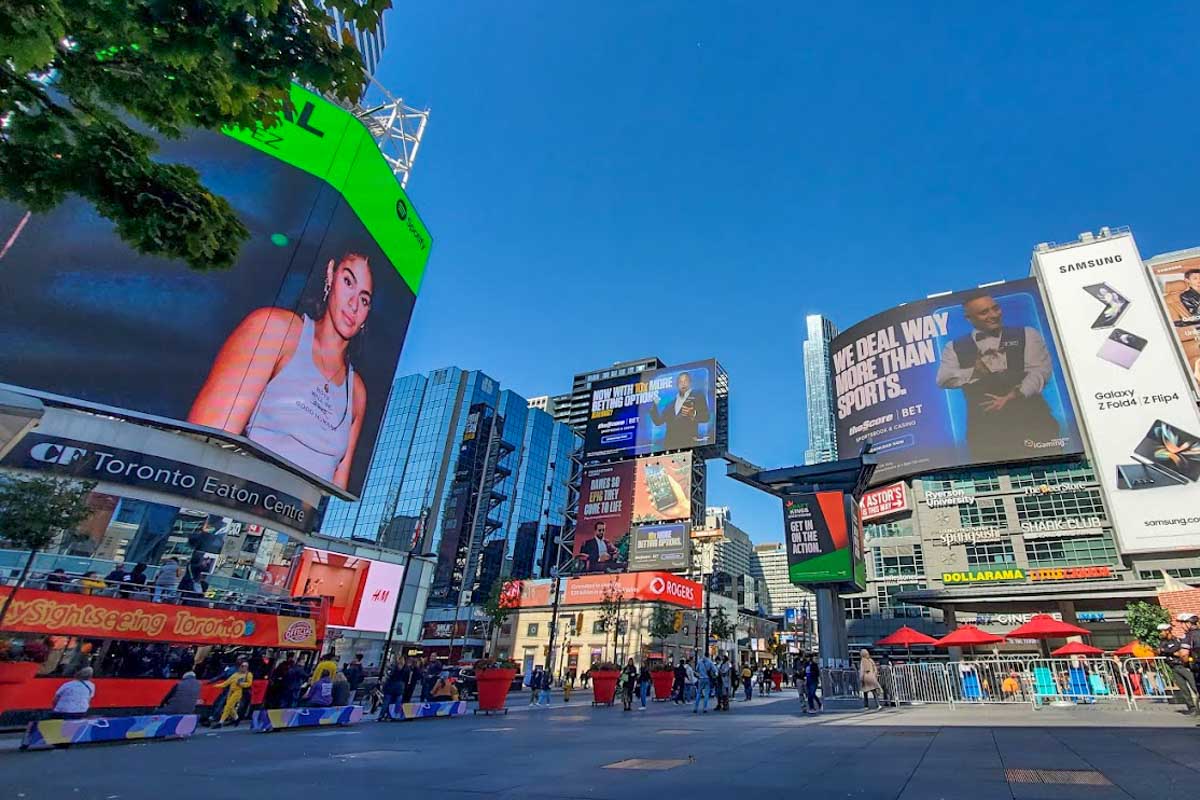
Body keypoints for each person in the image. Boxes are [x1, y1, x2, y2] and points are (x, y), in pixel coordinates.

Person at [187, 253, 375, 490]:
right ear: (330, 274)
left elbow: (336, 490)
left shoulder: (356, 391)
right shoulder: (275, 330)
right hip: (238, 509)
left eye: (365, 300)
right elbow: (202, 447)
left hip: (295, 523)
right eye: (348, 282)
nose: (354, 304)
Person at [935, 292, 1061, 462]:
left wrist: (1014, 395)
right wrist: (974, 371)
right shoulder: (953, 347)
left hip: (1034, 422)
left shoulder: (1028, 334)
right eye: (984, 312)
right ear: (969, 318)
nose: (993, 315)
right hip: (985, 431)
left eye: (995, 308)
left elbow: (1040, 371)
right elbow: (943, 379)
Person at [647, 369, 711, 451]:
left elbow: (706, 417)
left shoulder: (697, 396)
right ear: (677, 385)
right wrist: (654, 405)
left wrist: (693, 414)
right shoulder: (670, 405)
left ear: (690, 383)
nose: (683, 384)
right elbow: (658, 422)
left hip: (688, 444)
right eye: (680, 382)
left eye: (686, 381)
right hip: (670, 446)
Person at [1156, 622, 1198, 714]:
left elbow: (1179, 651)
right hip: (1174, 667)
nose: (1160, 633)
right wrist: (1171, 652)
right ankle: (1192, 708)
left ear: (1168, 631)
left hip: (1183, 666)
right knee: (1183, 689)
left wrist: (1167, 651)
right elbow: (1160, 651)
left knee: (1194, 686)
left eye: (1162, 631)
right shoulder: (1162, 642)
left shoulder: (1177, 640)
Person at [216, 662, 253, 726]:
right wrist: (215, 686)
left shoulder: (248, 674)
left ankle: (221, 722)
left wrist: (241, 684)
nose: (242, 667)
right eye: (242, 666)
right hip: (230, 691)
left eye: (244, 666)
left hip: (238, 692)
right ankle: (236, 719)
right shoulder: (235, 674)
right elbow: (226, 683)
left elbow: (249, 684)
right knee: (231, 707)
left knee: (228, 706)